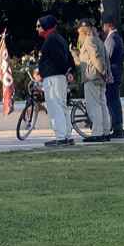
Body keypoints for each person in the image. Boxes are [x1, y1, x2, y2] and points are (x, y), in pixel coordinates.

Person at [35, 15, 74, 147]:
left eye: (39, 26)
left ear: (46, 25)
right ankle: (67, 135)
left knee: (54, 107)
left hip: (53, 78)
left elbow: (59, 58)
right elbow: (69, 58)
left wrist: (65, 71)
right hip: (59, 78)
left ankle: (61, 137)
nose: (37, 29)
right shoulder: (59, 39)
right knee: (62, 107)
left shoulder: (51, 40)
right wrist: (69, 71)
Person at [76, 19, 112, 143]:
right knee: (102, 104)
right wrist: (108, 74)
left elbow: (96, 59)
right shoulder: (99, 40)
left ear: (84, 29)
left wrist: (104, 73)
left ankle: (97, 132)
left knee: (94, 106)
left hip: (92, 77)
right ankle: (105, 131)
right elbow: (106, 60)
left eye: (79, 28)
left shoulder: (88, 41)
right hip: (100, 79)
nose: (77, 31)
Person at [102, 21, 124, 138]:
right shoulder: (117, 38)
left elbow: (106, 57)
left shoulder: (111, 39)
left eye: (104, 26)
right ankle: (119, 126)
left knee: (112, 101)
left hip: (112, 75)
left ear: (108, 26)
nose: (102, 28)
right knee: (115, 101)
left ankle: (117, 127)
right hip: (117, 74)